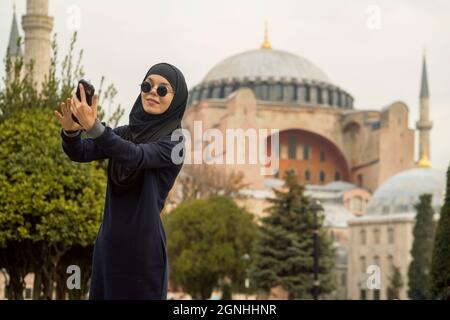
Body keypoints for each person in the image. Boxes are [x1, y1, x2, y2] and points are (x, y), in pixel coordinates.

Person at [53, 62, 187, 300]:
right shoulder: (125, 134)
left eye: (163, 89)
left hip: (143, 253)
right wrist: (71, 132)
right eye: (147, 85)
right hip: (108, 247)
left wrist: (94, 127)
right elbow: (81, 152)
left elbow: (136, 156)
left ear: (176, 100)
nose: (152, 92)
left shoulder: (174, 142)